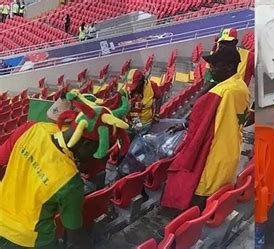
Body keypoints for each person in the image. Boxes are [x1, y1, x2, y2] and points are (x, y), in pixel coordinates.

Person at [0, 90, 130, 248]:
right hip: (30, 240)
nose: (95, 156)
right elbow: (74, 232)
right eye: (96, 150)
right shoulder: (70, 181)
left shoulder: (34, 129)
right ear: (87, 144)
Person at [161, 46, 251, 211]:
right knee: (217, 198)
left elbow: (199, 128)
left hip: (213, 157)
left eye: (215, 65)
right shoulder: (242, 87)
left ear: (229, 67)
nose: (211, 69)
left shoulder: (220, 92)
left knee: (199, 204)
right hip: (231, 153)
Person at [124, 69, 163, 135]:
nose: (133, 89)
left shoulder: (151, 85)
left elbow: (159, 97)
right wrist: (136, 125)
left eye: (135, 86)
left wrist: (157, 114)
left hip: (147, 123)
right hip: (131, 124)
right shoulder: (126, 90)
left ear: (141, 82)